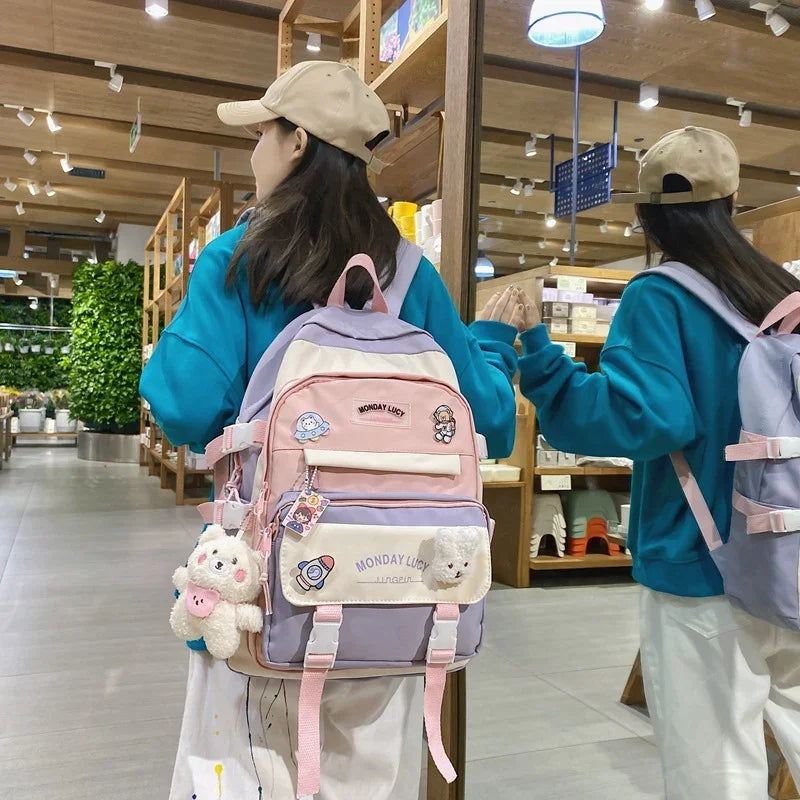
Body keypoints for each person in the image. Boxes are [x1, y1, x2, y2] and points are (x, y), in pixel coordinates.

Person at [140, 61, 521, 800]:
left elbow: (182, 405)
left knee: (252, 771)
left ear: (296, 144)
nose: (254, 151)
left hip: (271, 589)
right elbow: (493, 422)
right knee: (371, 777)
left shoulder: (242, 259)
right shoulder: (410, 275)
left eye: (262, 134)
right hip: (400, 592)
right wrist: (496, 343)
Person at [514, 126, 800, 799]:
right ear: (733, 200)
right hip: (787, 549)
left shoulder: (659, 295)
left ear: (644, 216)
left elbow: (647, 416)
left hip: (701, 560)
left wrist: (543, 361)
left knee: (714, 760)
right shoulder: (779, 293)